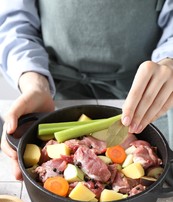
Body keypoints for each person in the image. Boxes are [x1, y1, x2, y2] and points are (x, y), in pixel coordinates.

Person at [0, 0, 173, 180]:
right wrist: (35, 85)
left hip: (149, 99)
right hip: (53, 95)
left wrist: (170, 62)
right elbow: (13, 23)